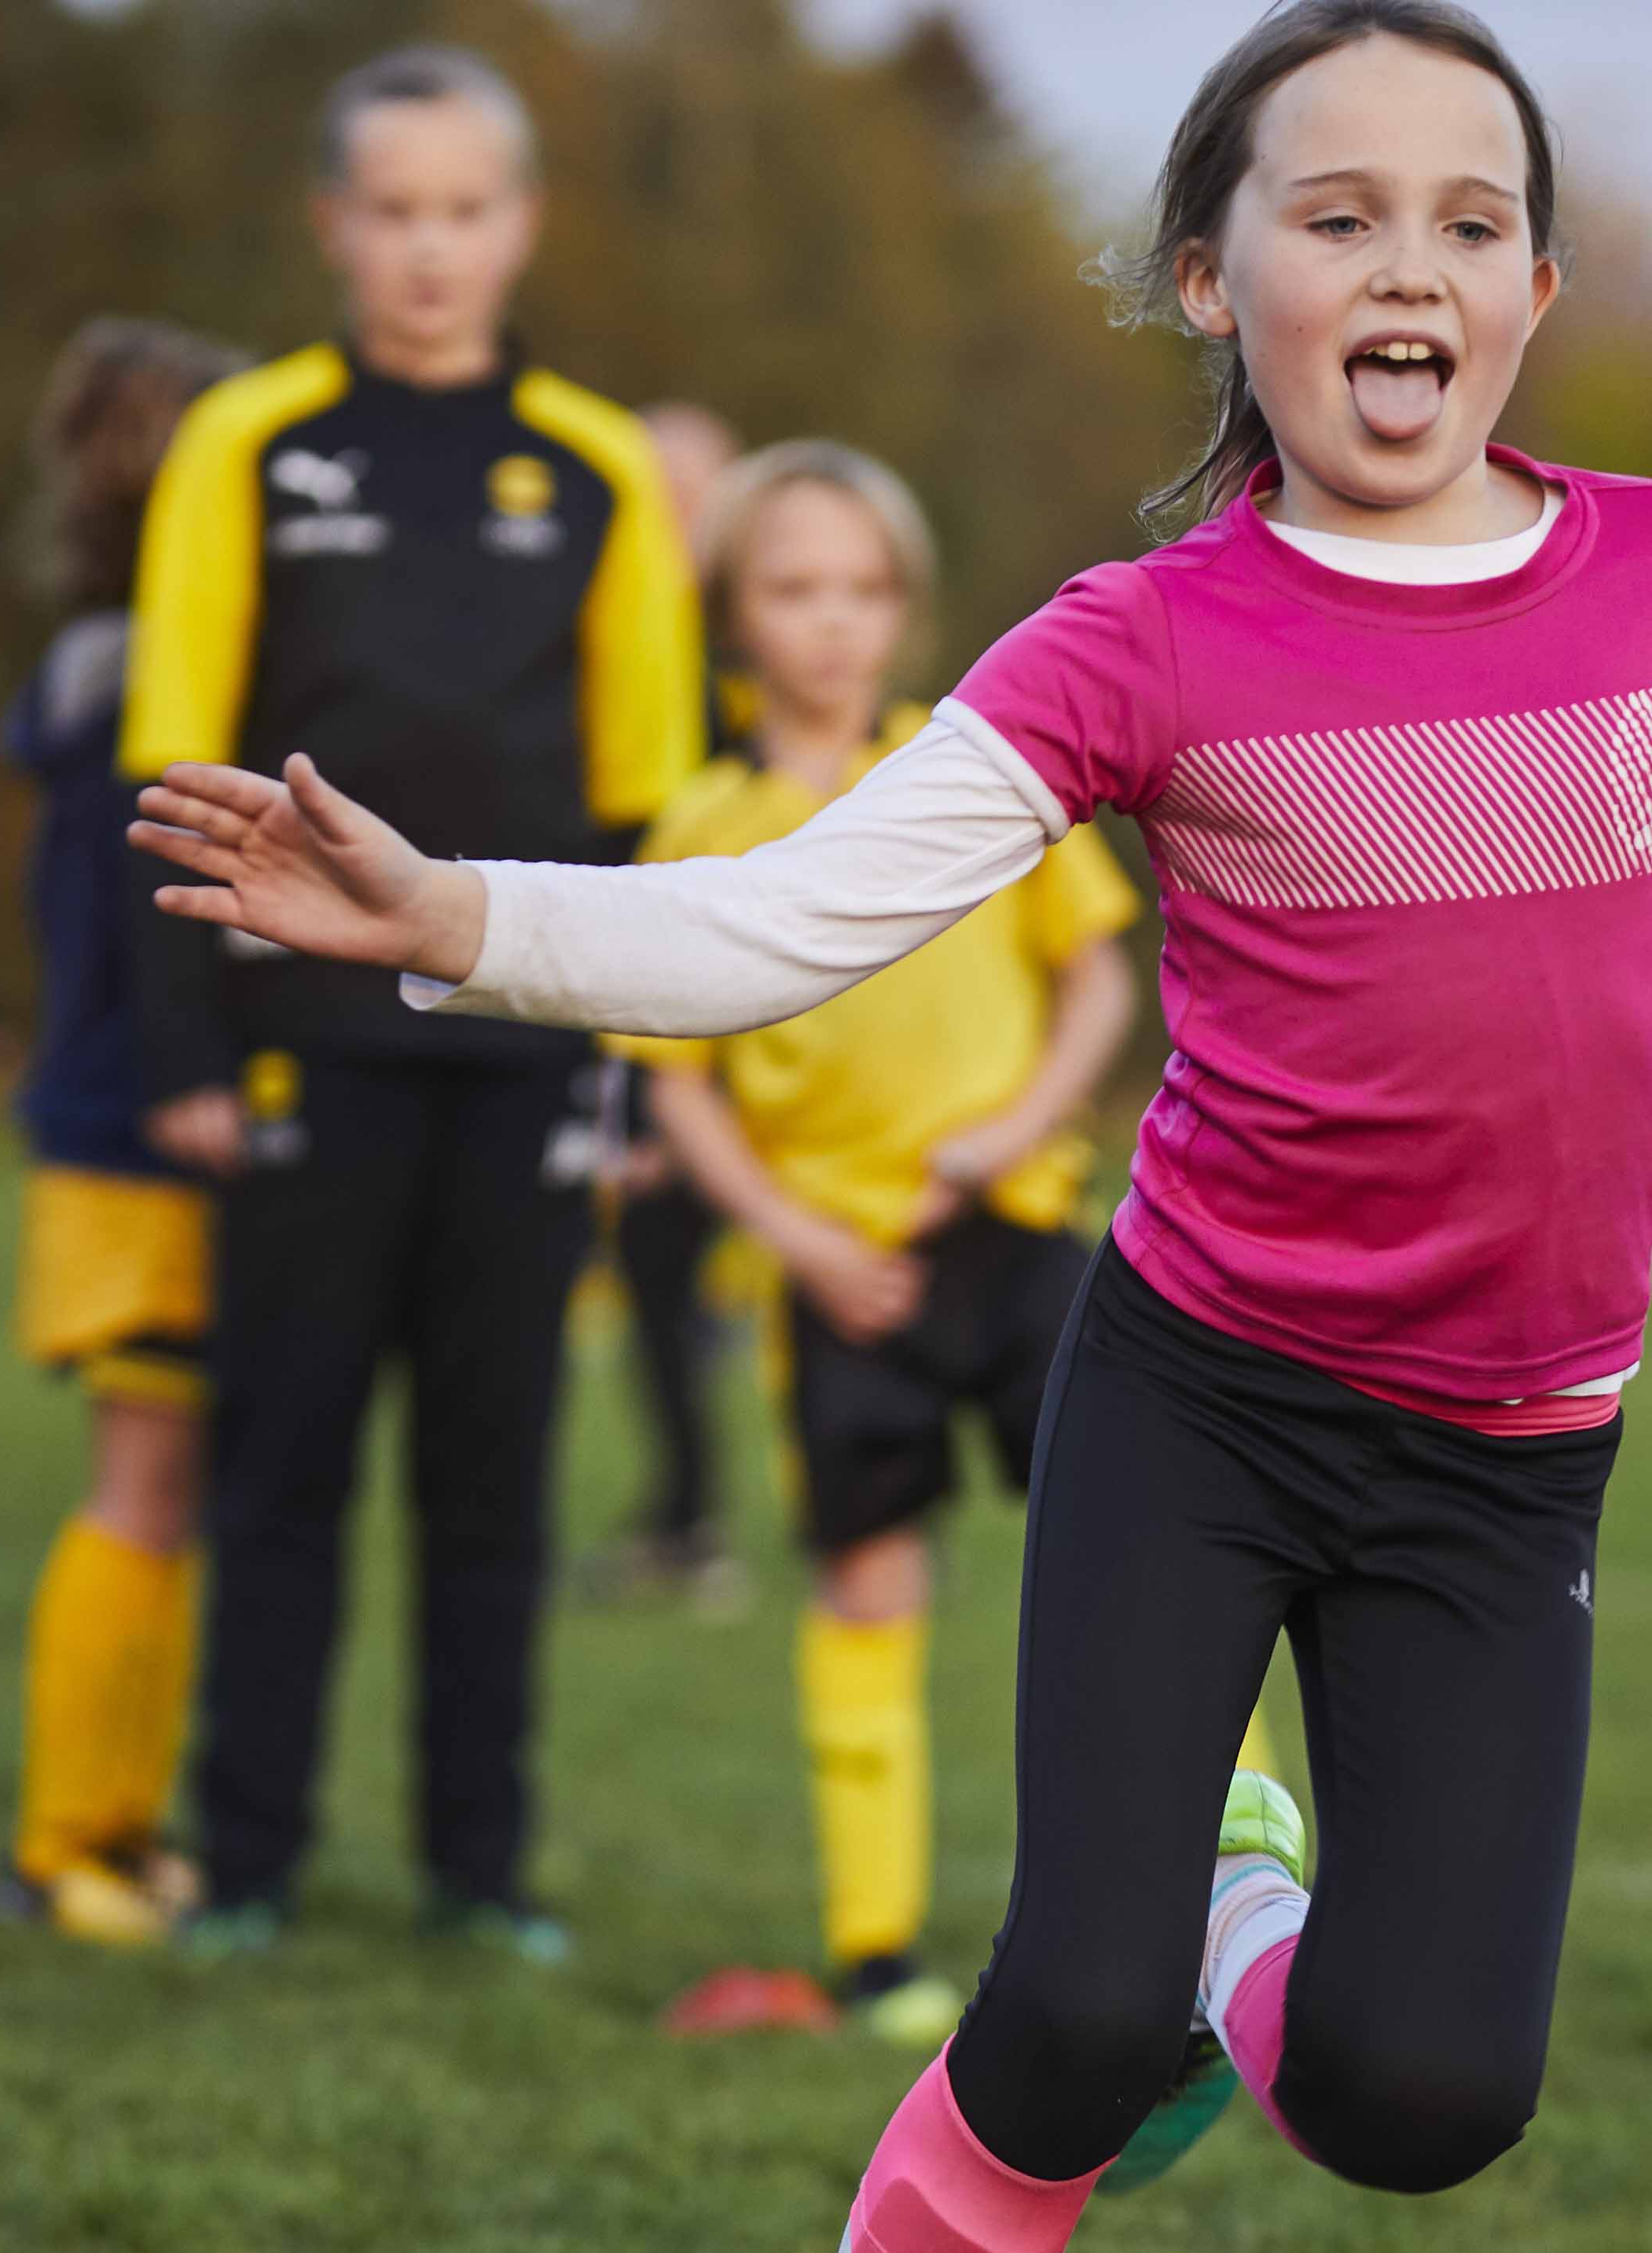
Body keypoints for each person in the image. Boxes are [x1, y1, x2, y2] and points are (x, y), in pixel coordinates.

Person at [129, 0, 1652, 2253]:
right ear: (1214, 279)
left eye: (1463, 214)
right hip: (1194, 1390)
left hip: (1509, 1461)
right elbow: (790, 920)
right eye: (1332, 211)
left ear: (1530, 280)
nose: (1404, 257)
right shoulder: (1141, 641)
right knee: (1055, 2019)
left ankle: (1246, 1918)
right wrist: (453, 911)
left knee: (1419, 2103)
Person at [119, 46, 707, 1960]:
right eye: (393, 211)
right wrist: (189, 1037)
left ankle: (480, 1871)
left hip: (522, 1044)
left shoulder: (605, 469)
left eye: (465, 211)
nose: (429, 248)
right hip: (297, 1042)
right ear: (332, 226)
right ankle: (255, 1858)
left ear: (519, 226)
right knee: (282, 1457)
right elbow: (167, 755)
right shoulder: (249, 445)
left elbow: (647, 806)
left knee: (495, 1477)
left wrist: (626, 1070)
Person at [609, 441, 1143, 2046]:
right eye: (794, 588)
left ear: (903, 610)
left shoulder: (972, 771)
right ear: (733, 617)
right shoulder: (702, 819)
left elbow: (1101, 977)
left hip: (1024, 1242)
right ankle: (877, 1952)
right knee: (867, 1585)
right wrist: (791, 1237)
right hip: (840, 1275)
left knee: (1143, 1567)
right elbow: (677, 1084)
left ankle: (1225, 1919)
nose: (832, 623)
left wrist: (1013, 1129)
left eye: (861, 589)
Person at [0, 315, 250, 1949]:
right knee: (141, 1484)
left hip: (144, 1134)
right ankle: (60, 1843)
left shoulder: (114, 665)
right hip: (133, 1142)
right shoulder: (135, 690)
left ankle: (125, 1825)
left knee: (180, 1493)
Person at [582, 396, 753, 1610]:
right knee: (656, 1264)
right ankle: (688, 1515)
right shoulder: (595, 637)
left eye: (693, 488)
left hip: (775, 1012)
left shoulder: (761, 650)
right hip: (645, 1016)